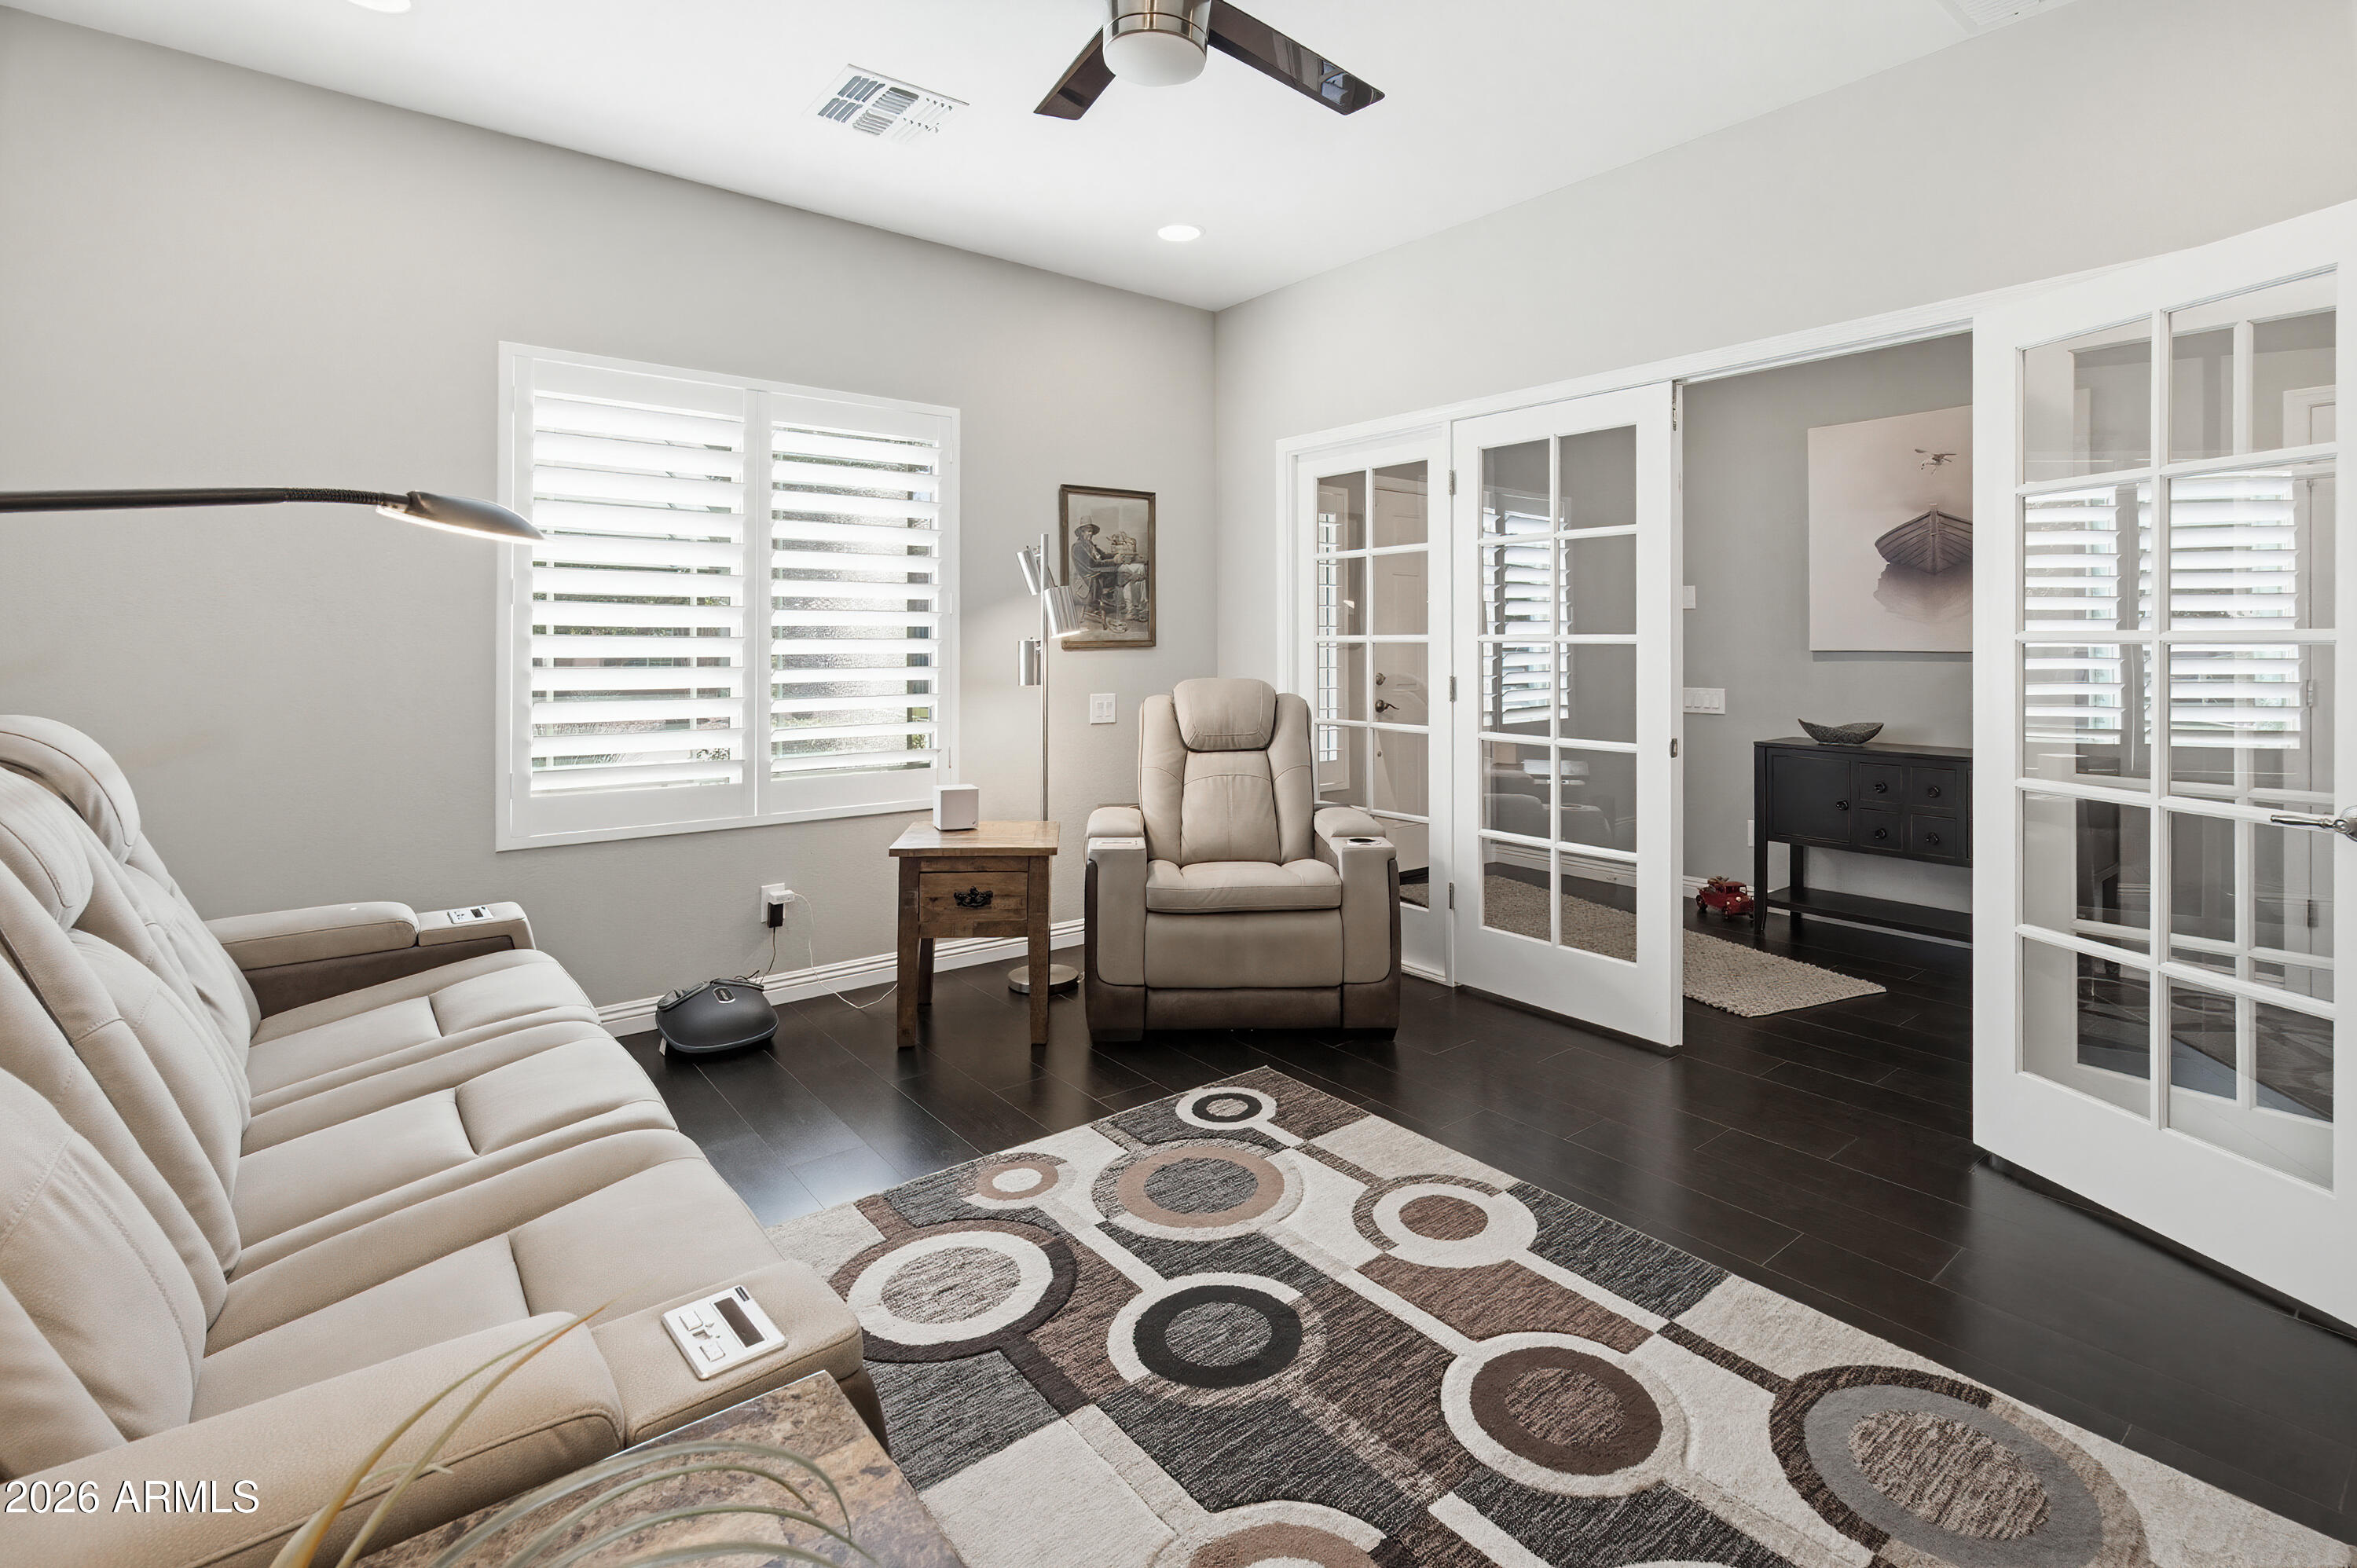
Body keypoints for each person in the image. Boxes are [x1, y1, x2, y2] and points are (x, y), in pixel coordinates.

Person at [1069, 521, 1146, 628]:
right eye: (1088, 531)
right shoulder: (1078, 548)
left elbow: (1104, 556)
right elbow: (1093, 564)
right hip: (1091, 582)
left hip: (1098, 576)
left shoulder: (1090, 545)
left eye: (1091, 532)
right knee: (1126, 575)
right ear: (1081, 532)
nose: (1091, 534)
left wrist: (1119, 555)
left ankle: (1136, 608)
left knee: (1133, 572)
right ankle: (1131, 609)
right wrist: (1114, 561)